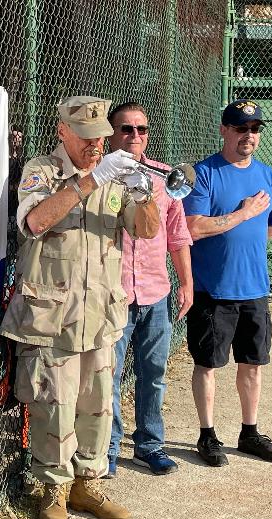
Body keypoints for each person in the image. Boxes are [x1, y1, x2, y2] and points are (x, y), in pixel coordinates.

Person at [0, 95, 160, 519]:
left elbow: (145, 231)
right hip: (52, 318)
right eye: (87, 138)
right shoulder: (42, 171)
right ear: (63, 132)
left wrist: (143, 195)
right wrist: (89, 181)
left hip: (101, 314)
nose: (96, 147)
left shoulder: (115, 176)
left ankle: (87, 484)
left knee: (97, 403)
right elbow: (34, 222)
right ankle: (53, 488)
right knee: (54, 403)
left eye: (101, 139)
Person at [183, 99, 272, 467]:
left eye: (255, 129)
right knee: (208, 364)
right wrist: (242, 215)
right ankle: (207, 435)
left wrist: (241, 238)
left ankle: (249, 432)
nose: (249, 136)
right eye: (241, 128)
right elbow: (192, 227)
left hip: (254, 289)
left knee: (252, 364)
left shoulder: (268, 176)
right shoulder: (205, 173)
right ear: (224, 130)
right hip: (214, 290)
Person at [104, 102, 193, 477]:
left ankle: (149, 445)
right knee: (108, 375)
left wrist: (186, 282)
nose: (134, 136)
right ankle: (106, 452)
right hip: (113, 293)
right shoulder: (97, 177)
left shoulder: (163, 179)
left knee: (153, 372)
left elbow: (177, 235)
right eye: (126, 129)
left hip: (156, 290)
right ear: (111, 134)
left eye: (141, 130)